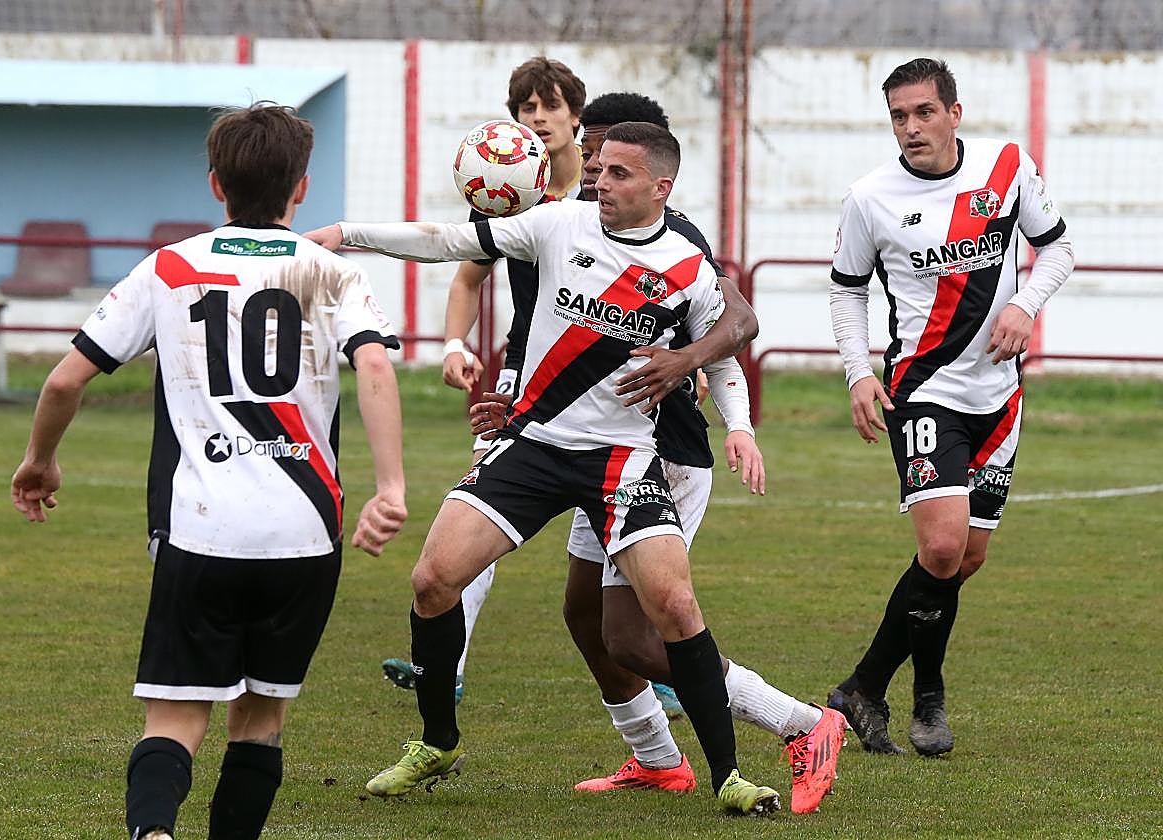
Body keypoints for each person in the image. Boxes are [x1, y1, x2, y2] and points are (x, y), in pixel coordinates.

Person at [308, 122, 789, 816]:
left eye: (619, 174)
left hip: (624, 461)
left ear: (662, 187)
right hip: (532, 443)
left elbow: (721, 357)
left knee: (676, 607)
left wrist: (739, 429)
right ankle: (437, 741)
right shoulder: (557, 224)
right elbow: (448, 242)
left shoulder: (686, 266)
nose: (600, 182)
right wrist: (346, 233)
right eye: (597, 170)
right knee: (433, 579)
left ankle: (729, 777)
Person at [10, 102, 407, 840]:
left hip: (201, 529)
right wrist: (391, 489)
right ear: (302, 189)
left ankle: (154, 832)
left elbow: (65, 381)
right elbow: (376, 365)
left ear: (216, 184)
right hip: (304, 536)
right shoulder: (332, 273)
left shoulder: (171, 266)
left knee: (175, 715)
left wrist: (41, 461)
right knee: (259, 722)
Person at [468, 91, 846, 814]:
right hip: (584, 450)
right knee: (586, 617)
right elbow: (566, 349)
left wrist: (713, 392)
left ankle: (802, 724)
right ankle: (656, 758)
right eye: (594, 152)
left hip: (658, 454)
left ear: (656, 173)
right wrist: (518, 406)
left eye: (615, 158)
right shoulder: (567, 224)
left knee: (637, 637)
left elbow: (736, 325)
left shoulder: (678, 240)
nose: (597, 172)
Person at [827, 58, 1074, 756]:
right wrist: (856, 373)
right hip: (924, 391)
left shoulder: (1005, 168)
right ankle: (922, 696)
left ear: (954, 112)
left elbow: (1057, 250)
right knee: (938, 547)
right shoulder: (870, 197)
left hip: (1000, 397)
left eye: (924, 112)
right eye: (899, 116)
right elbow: (847, 290)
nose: (911, 127)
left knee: (963, 559)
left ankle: (866, 689)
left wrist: (1026, 304)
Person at [383, 56, 589, 704]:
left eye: (550, 107)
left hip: (606, 376)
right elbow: (467, 279)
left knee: (620, 523)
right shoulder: (512, 198)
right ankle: (448, 660)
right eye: (526, 109)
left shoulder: (609, 190)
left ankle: (657, 661)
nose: (538, 118)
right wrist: (451, 344)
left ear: (575, 116)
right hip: (523, 372)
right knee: (477, 508)